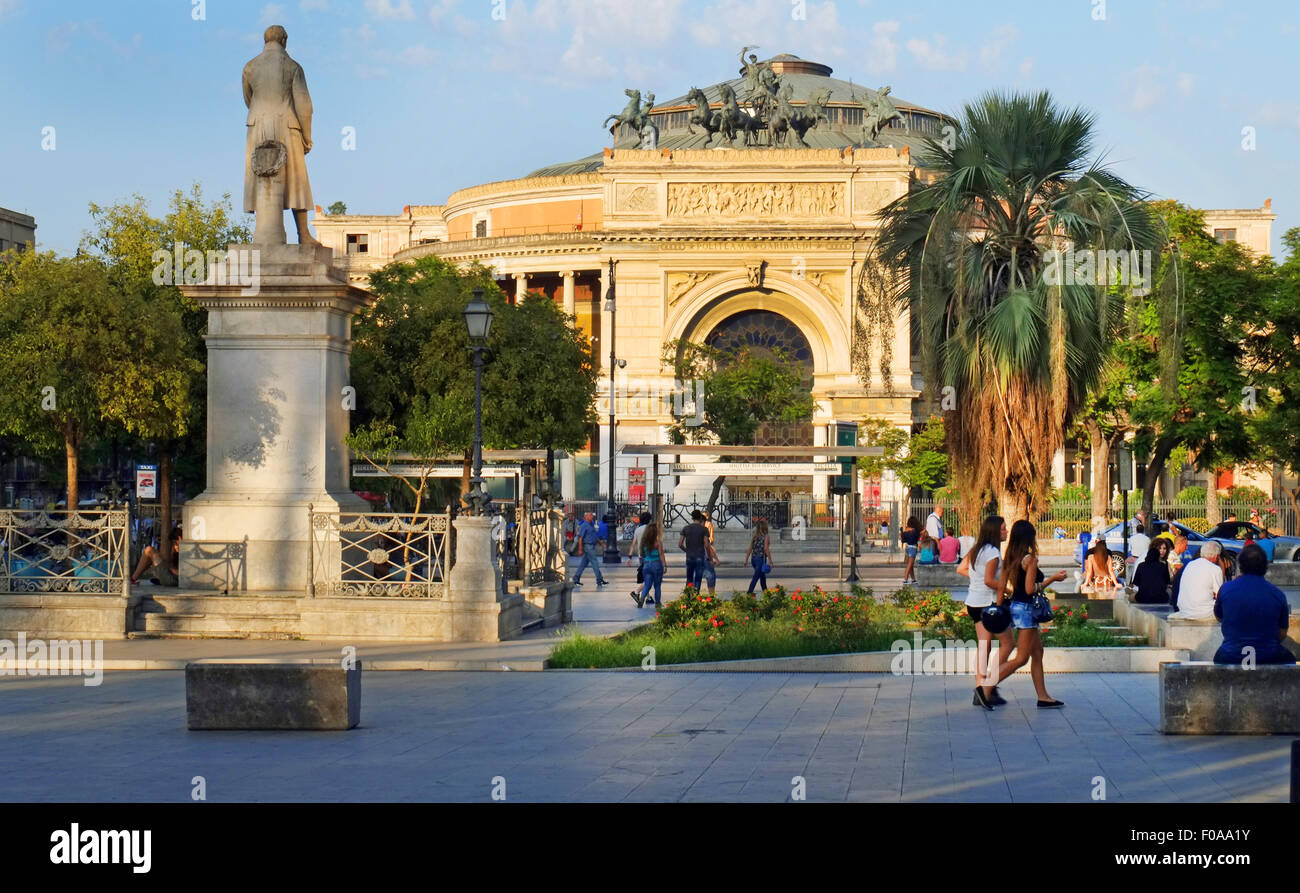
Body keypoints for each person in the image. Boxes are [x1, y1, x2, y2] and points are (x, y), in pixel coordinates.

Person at [982, 520, 1067, 709]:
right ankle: (987, 686)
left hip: (1016, 607)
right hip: (1027, 610)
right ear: (1029, 537)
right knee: (1021, 658)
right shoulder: (1030, 559)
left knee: (1037, 652)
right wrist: (1053, 579)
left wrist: (998, 606)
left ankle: (1043, 696)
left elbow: (1002, 585)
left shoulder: (1010, 555)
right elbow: (1030, 589)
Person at [963, 515, 1016, 708]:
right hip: (987, 603)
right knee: (1009, 643)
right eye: (1003, 528)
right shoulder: (993, 552)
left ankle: (982, 687)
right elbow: (989, 580)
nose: (1006, 531)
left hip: (974, 601)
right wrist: (1007, 588)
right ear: (994, 531)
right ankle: (988, 685)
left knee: (984, 645)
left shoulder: (978, 549)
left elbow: (964, 569)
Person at [1213, 544, 1296, 666]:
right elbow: (1282, 633)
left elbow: (1219, 617)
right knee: (1290, 661)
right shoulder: (1277, 594)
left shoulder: (1225, 589)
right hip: (1269, 656)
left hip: (1231, 655)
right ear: (1265, 567)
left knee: (1218, 656)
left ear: (1240, 565)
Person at [1172, 540, 1224, 619]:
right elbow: (1219, 595)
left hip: (1184, 610)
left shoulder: (1190, 564)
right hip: (1204, 612)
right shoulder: (1215, 569)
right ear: (1216, 556)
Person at [569, 511, 607, 588]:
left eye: (592, 515)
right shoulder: (584, 525)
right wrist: (580, 549)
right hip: (588, 546)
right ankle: (599, 579)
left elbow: (595, 536)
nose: (592, 517)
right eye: (590, 515)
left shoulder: (591, 524)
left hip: (591, 546)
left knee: (583, 564)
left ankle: (576, 578)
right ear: (586, 517)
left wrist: (601, 543)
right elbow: (580, 538)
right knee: (595, 562)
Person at [635, 523, 668, 609]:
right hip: (656, 564)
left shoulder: (644, 542)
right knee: (657, 585)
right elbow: (661, 554)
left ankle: (641, 599)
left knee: (647, 585)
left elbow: (642, 554)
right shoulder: (657, 542)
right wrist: (665, 565)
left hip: (646, 565)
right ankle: (658, 603)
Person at [1131, 540, 1172, 604]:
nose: (1162, 551)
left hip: (1142, 598)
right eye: (1160, 548)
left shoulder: (1141, 565)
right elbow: (1167, 582)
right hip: (1161, 599)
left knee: (1130, 597)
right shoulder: (1163, 565)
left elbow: (1136, 582)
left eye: (1164, 548)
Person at [678, 510, 710, 591]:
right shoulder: (704, 529)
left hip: (689, 556)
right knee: (698, 579)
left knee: (689, 578)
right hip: (700, 556)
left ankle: (688, 597)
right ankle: (696, 596)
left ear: (692, 518)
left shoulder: (686, 528)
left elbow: (680, 544)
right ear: (700, 518)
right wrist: (709, 557)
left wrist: (687, 550)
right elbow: (706, 545)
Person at [627, 511, 651, 605]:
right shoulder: (650, 529)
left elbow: (633, 544)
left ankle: (648, 598)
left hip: (641, 556)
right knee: (650, 578)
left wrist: (630, 557)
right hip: (649, 556)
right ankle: (636, 592)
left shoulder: (638, 529)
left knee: (646, 577)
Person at [744, 518, 771, 595]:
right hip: (761, 559)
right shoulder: (766, 536)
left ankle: (766, 593)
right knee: (756, 577)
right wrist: (770, 561)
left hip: (754, 559)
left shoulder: (755, 536)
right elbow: (766, 548)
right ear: (765, 527)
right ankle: (749, 592)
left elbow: (750, 548)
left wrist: (746, 560)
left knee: (762, 577)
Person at [900, 516, 921, 584]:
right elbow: (919, 536)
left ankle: (913, 579)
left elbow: (903, 540)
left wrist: (904, 532)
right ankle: (905, 579)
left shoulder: (907, 530)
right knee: (910, 564)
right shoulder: (916, 531)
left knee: (911, 565)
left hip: (908, 547)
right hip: (913, 548)